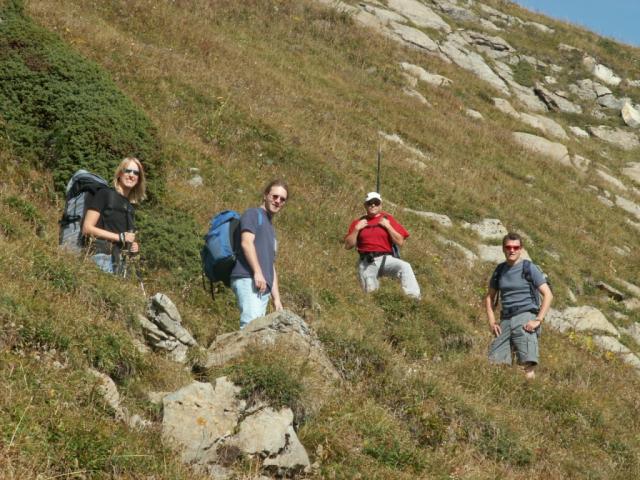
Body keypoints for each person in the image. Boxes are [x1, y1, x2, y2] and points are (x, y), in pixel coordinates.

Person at [485, 232, 553, 379]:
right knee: (496, 364)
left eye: (516, 247)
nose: (512, 250)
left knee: (527, 366)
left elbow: (548, 294)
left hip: (525, 317)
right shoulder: (499, 270)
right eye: (508, 247)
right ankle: (503, 391)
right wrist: (492, 322)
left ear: (521, 249)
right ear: (503, 249)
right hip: (505, 320)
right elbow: (490, 297)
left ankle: (530, 392)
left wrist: (538, 319)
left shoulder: (529, 268)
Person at [230, 180, 288, 329]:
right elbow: (246, 243)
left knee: (256, 330)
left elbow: (270, 265)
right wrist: (257, 272)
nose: (278, 201)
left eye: (282, 199)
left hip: (263, 287)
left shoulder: (271, 228)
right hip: (248, 278)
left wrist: (276, 299)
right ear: (265, 195)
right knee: (250, 327)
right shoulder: (253, 214)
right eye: (275, 196)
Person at [344, 192, 421, 299]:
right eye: (370, 203)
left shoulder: (387, 219)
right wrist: (357, 229)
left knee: (405, 266)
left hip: (386, 259)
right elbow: (348, 245)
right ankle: (375, 306)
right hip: (366, 262)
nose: (373, 205)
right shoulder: (358, 222)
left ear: (381, 205)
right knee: (371, 293)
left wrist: (388, 226)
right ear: (365, 205)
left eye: (376, 202)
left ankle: (413, 298)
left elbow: (400, 242)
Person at [82, 157, 146, 275]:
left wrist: (133, 245)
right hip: (100, 257)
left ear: (138, 179)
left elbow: (123, 236)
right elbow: (87, 228)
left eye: (136, 173)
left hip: (119, 262)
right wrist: (120, 237)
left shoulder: (130, 207)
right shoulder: (104, 194)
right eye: (128, 171)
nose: (131, 175)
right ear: (120, 174)